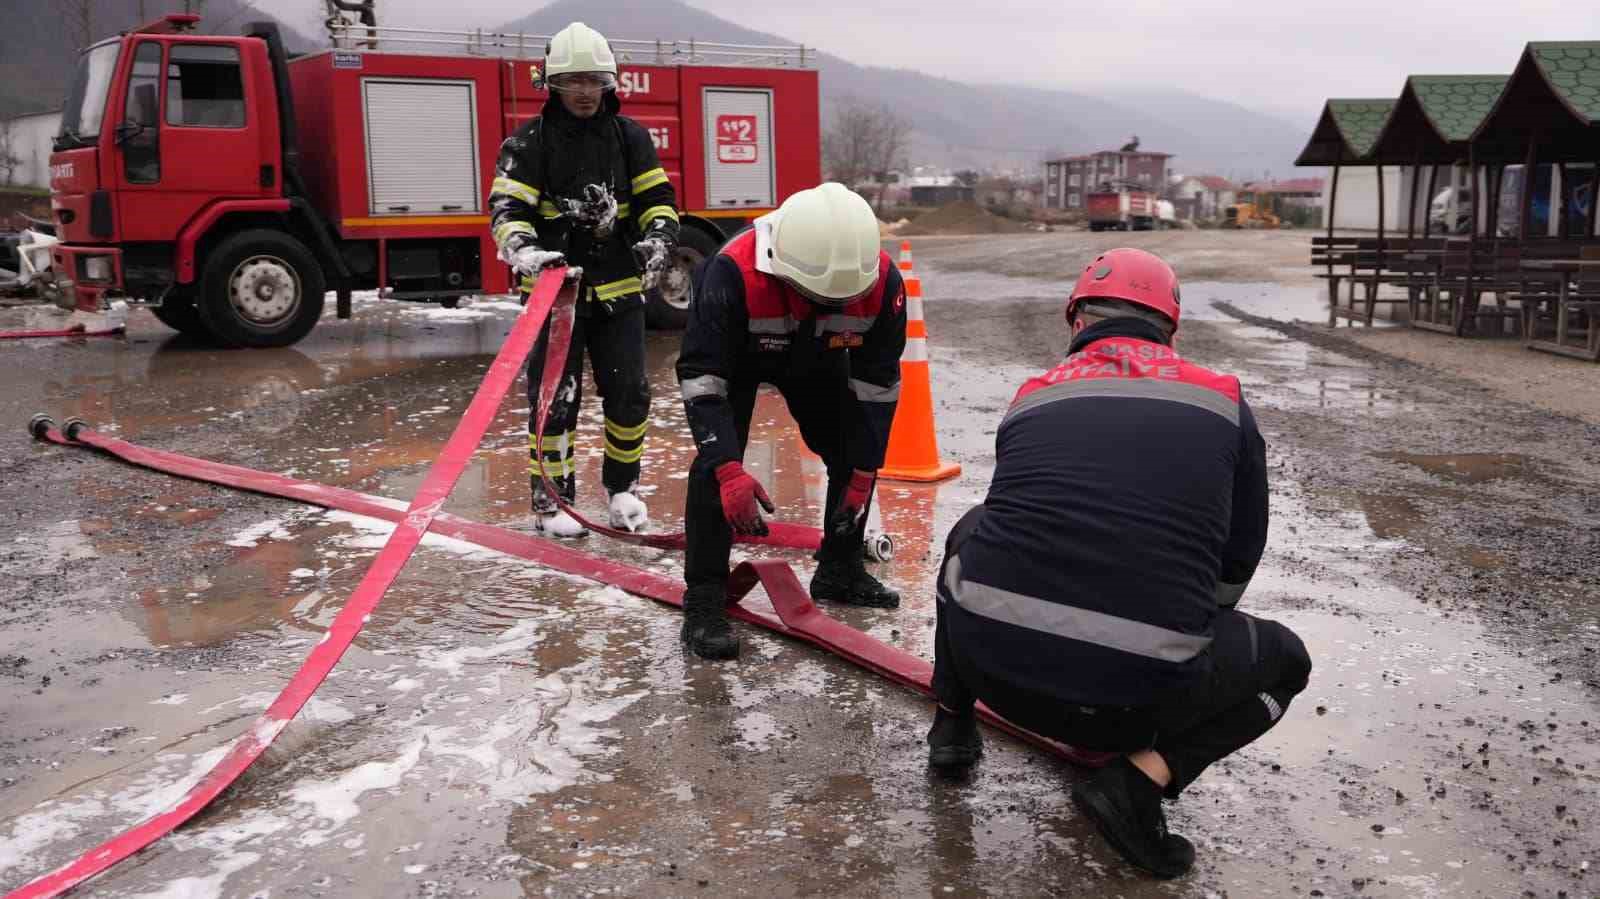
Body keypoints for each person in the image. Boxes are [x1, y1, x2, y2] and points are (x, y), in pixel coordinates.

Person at [925, 248, 1311, 879]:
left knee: (971, 533)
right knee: (1285, 664)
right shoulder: (1222, 400)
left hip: (993, 675)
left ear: (1075, 321)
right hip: (1133, 709)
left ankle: (951, 727)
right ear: (1172, 331)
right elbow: (1238, 560)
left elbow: (1017, 529)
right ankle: (1136, 786)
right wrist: (1173, 638)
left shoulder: (1030, 396)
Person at [676, 183, 907, 660]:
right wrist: (726, 469)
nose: (827, 305)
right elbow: (703, 379)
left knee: (851, 447)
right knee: (715, 466)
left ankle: (840, 569)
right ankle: (703, 598)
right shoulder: (730, 272)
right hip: (740, 361)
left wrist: (865, 470)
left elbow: (878, 386)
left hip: (820, 358)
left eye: (838, 301)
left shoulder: (883, 284)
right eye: (813, 296)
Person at [488, 21, 679, 537]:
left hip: (620, 292)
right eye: (572, 81)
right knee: (554, 400)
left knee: (630, 396)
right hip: (555, 296)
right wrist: (525, 251)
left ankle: (623, 490)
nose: (584, 91)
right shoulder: (526, 143)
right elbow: (507, 209)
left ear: (609, 83)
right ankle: (552, 503)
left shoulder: (631, 139)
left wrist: (657, 237)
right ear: (550, 83)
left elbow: (658, 201)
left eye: (594, 80)